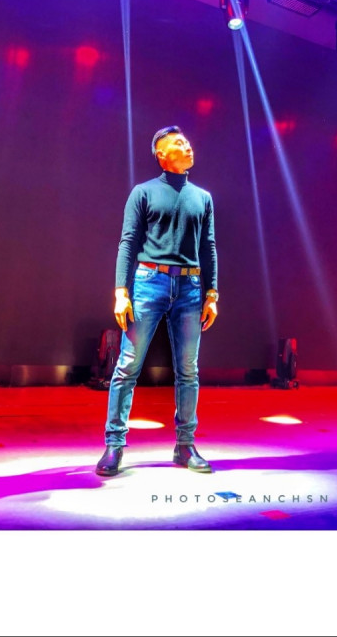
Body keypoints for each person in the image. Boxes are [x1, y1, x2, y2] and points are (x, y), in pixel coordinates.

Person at [95, 126, 218, 476]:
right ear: (162, 155)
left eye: (187, 140)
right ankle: (114, 445)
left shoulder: (203, 198)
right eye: (178, 143)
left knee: (188, 370)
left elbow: (208, 247)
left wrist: (212, 293)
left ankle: (185, 446)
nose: (187, 145)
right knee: (128, 366)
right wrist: (121, 292)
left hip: (190, 287)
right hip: (149, 282)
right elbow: (128, 242)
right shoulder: (143, 192)